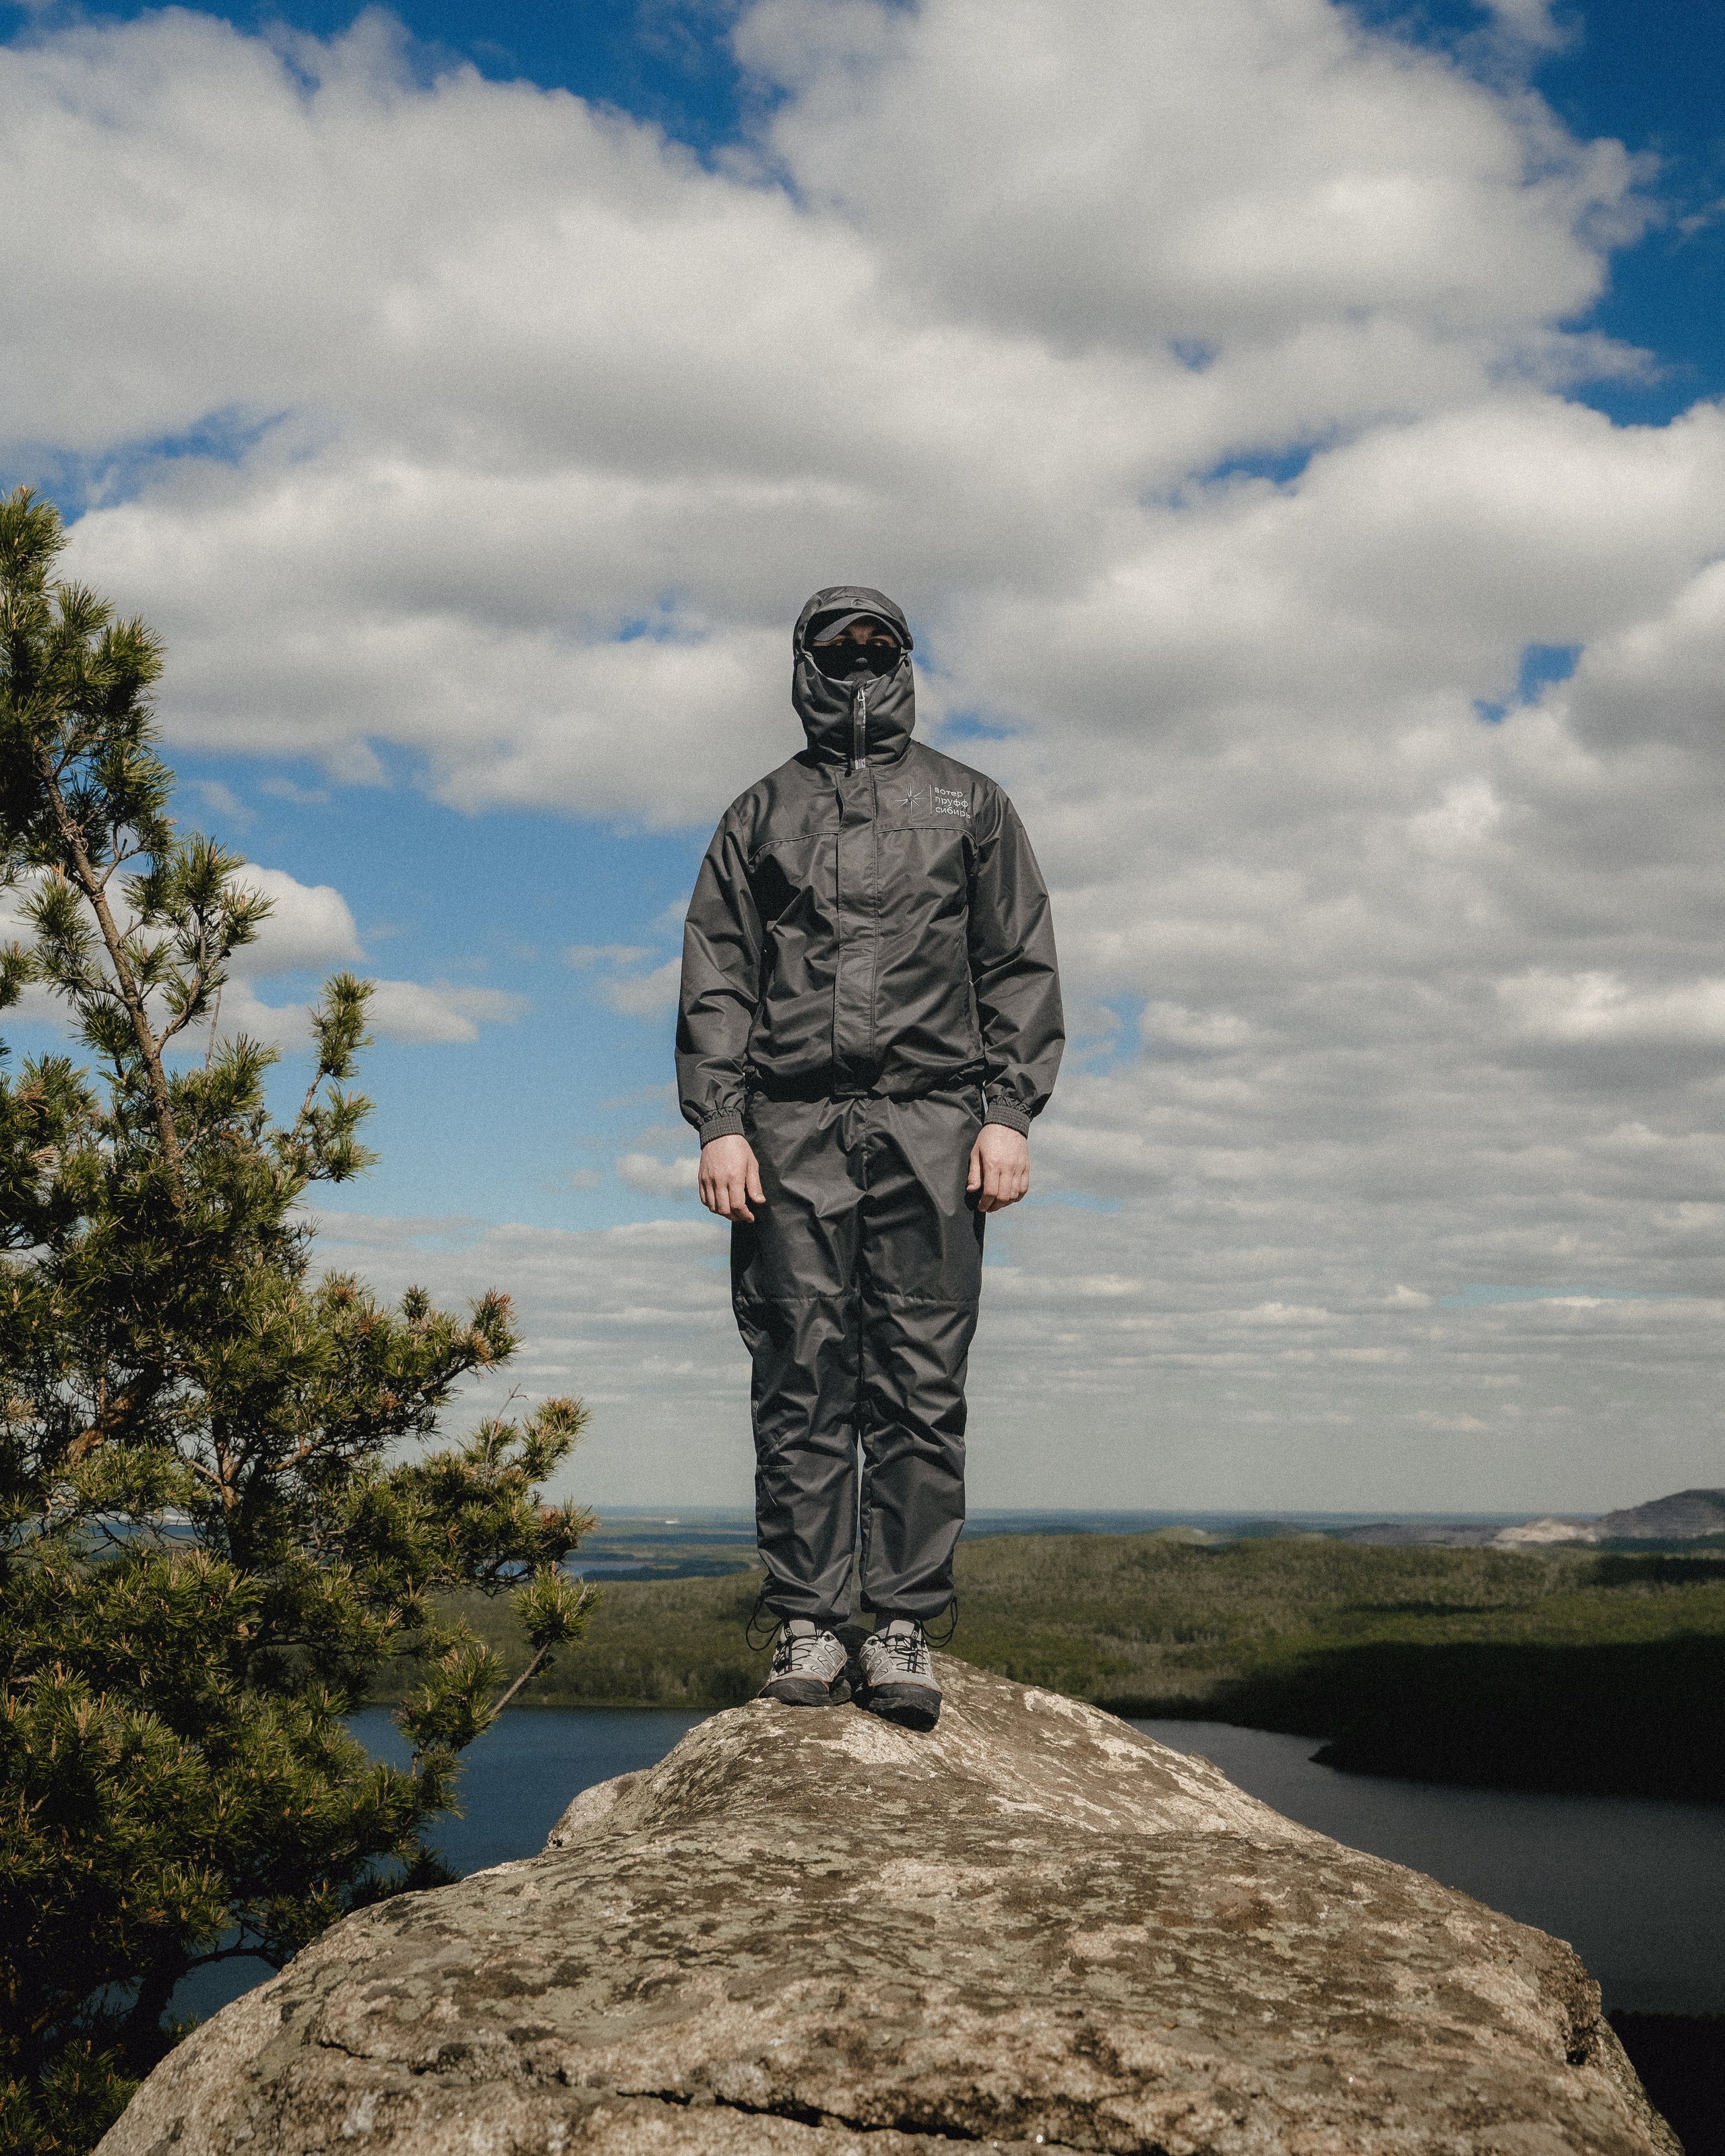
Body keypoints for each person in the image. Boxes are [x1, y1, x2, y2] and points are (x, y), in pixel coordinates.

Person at [677, 585, 1063, 1730]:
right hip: (789, 1129)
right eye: (836, 650)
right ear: (802, 663)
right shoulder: (760, 813)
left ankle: (898, 1626)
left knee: (918, 1379)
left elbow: (1019, 967)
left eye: (875, 647)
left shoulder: (969, 802)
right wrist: (721, 1122)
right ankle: (807, 1618)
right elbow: (719, 976)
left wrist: (1009, 1114)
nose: (857, 666)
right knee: (800, 1368)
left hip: (937, 1124)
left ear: (902, 658)